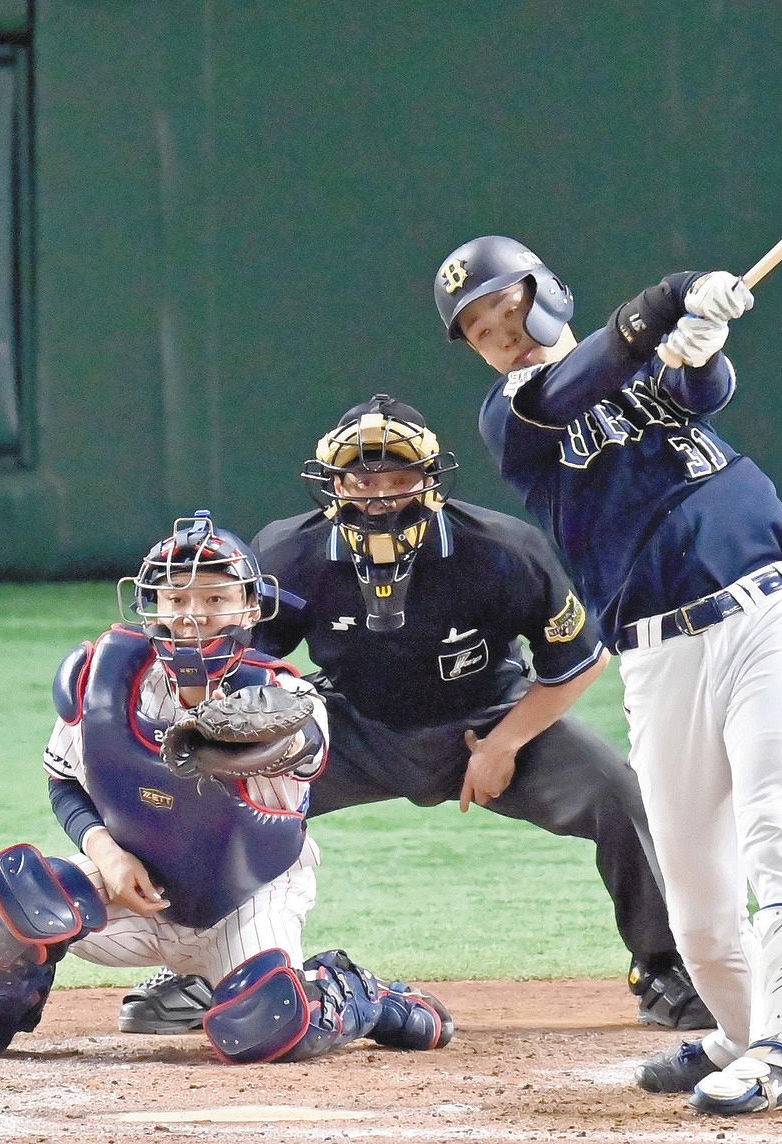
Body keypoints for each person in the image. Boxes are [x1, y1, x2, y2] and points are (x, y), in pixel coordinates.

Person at [432, 236, 782, 1116]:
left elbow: (700, 396)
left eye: (510, 308)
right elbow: (589, 374)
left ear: (549, 292)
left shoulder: (635, 369)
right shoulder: (516, 415)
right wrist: (667, 303)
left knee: (775, 835)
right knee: (694, 899)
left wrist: (700, 346)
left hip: (762, 617)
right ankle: (738, 1031)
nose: (506, 333)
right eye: (484, 329)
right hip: (658, 657)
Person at [222, 393, 705, 1033]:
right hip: (353, 724)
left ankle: (665, 966)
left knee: (619, 793)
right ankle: (204, 969)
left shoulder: (501, 548)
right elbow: (253, 667)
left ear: (430, 481)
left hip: (490, 717)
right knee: (218, 793)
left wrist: (505, 744)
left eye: (396, 477)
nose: (378, 495)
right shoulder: (288, 551)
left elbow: (580, 659)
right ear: (332, 485)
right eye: (360, 479)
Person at [0, 511, 453, 1064]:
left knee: (270, 1026)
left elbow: (306, 750)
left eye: (214, 599)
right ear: (150, 605)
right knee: (14, 902)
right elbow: (65, 782)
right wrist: (107, 854)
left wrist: (265, 740)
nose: (193, 616)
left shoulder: (283, 696)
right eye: (176, 599)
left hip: (245, 898)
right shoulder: (101, 680)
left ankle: (365, 998)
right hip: (133, 891)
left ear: (250, 607)